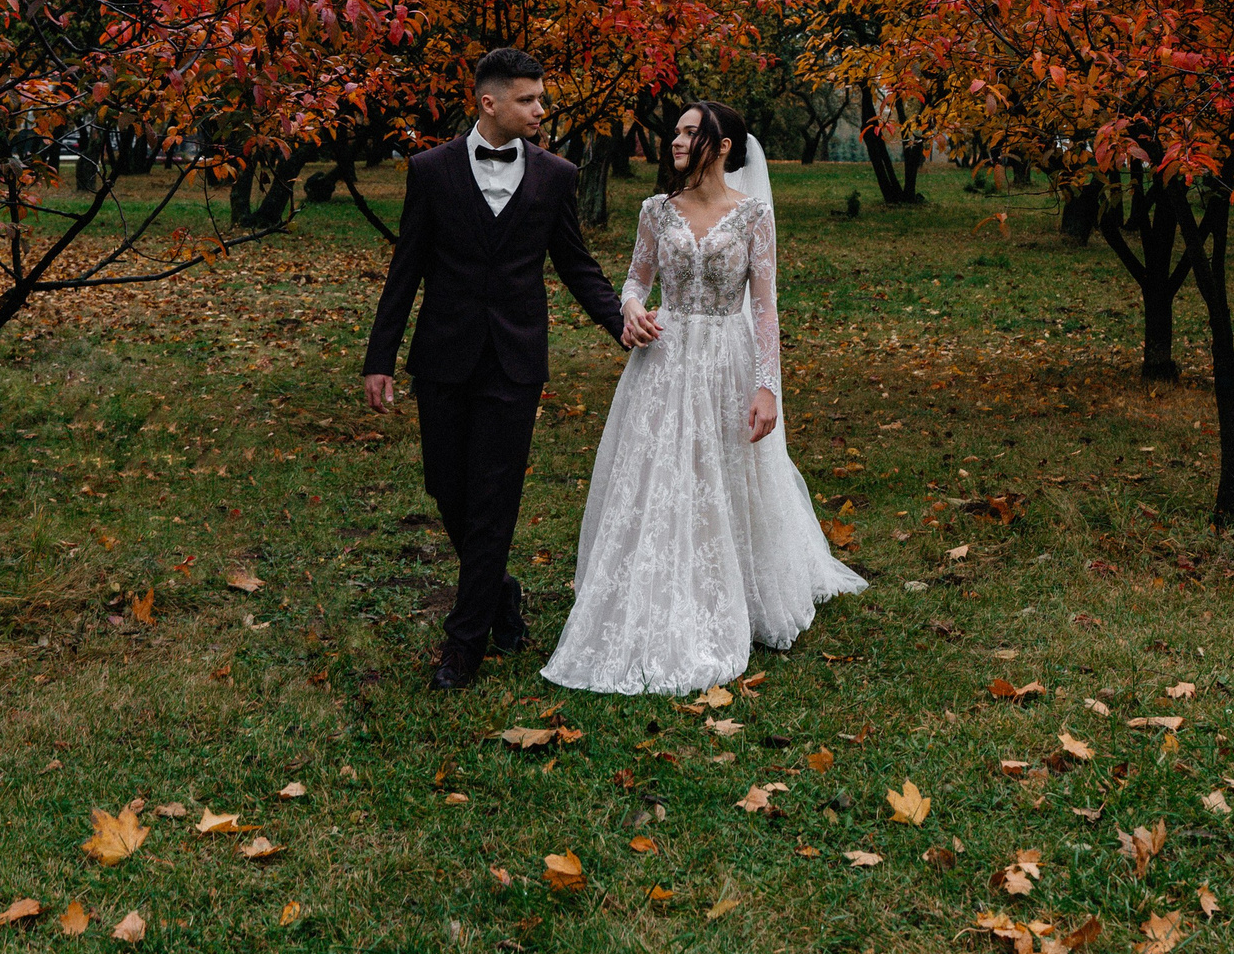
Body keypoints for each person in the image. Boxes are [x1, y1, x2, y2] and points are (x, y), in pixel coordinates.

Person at [541, 99, 866, 696]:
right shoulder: (655, 211)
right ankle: (653, 583)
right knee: (661, 475)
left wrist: (768, 386)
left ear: (721, 146)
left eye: (693, 132)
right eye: (677, 131)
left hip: (727, 359)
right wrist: (632, 305)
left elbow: (765, 307)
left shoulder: (753, 217)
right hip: (663, 359)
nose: (678, 141)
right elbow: (638, 278)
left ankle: (733, 585)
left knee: (722, 470)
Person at [361, 48, 627, 690]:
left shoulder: (556, 177)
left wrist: (621, 322)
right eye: (529, 99)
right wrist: (380, 358)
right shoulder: (430, 171)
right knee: (446, 487)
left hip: (514, 362)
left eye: (541, 98)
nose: (541, 109)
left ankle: (464, 642)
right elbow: (407, 269)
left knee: (495, 500)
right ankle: (499, 588)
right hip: (443, 357)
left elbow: (576, 264)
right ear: (489, 102)